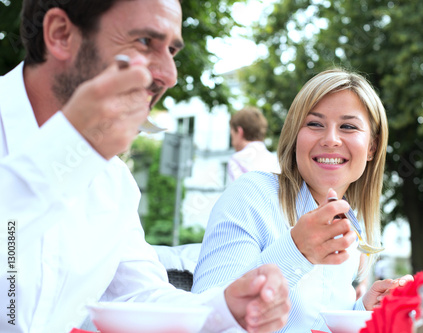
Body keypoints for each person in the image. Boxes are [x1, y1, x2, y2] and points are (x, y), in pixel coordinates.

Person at [0, 1, 290, 332]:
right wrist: (73, 148)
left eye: (171, 50)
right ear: (61, 34)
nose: (169, 75)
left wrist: (226, 308)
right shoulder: (92, 157)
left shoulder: (114, 180)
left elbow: (138, 296)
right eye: (144, 42)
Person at [192, 69, 414, 332]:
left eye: (348, 126)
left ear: (372, 148)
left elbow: (317, 321)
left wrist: (364, 310)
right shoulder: (252, 196)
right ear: (295, 136)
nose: (331, 139)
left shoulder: (353, 226)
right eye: (315, 124)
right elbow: (204, 320)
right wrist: (297, 251)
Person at [227, 106, 280, 183]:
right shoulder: (277, 161)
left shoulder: (237, 160)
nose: (232, 142)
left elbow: (236, 193)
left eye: (232, 135)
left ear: (239, 131)